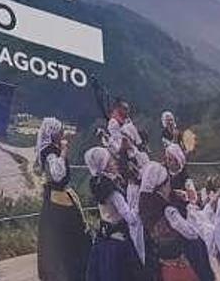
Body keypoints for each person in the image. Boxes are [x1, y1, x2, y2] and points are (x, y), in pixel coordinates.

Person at [35, 118, 90, 281]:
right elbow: (58, 175)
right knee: (67, 234)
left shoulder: (50, 149)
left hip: (57, 196)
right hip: (57, 198)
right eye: (60, 132)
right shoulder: (50, 151)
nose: (62, 134)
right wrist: (64, 151)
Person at [139, 161, 212, 281]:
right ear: (162, 186)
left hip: (162, 263)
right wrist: (189, 209)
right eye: (168, 182)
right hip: (179, 263)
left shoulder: (149, 207)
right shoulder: (168, 210)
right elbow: (191, 233)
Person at [85, 147, 145, 281]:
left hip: (104, 238)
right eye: (110, 160)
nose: (114, 162)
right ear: (105, 165)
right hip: (119, 241)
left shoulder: (98, 184)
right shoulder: (113, 192)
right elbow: (131, 218)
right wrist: (139, 203)